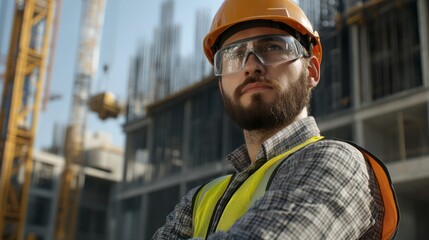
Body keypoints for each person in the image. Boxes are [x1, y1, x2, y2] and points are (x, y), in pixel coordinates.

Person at [153, 0, 399, 239]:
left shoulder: (337, 162)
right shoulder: (199, 200)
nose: (250, 66)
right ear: (221, 86)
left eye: (272, 47)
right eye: (234, 55)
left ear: (311, 71)